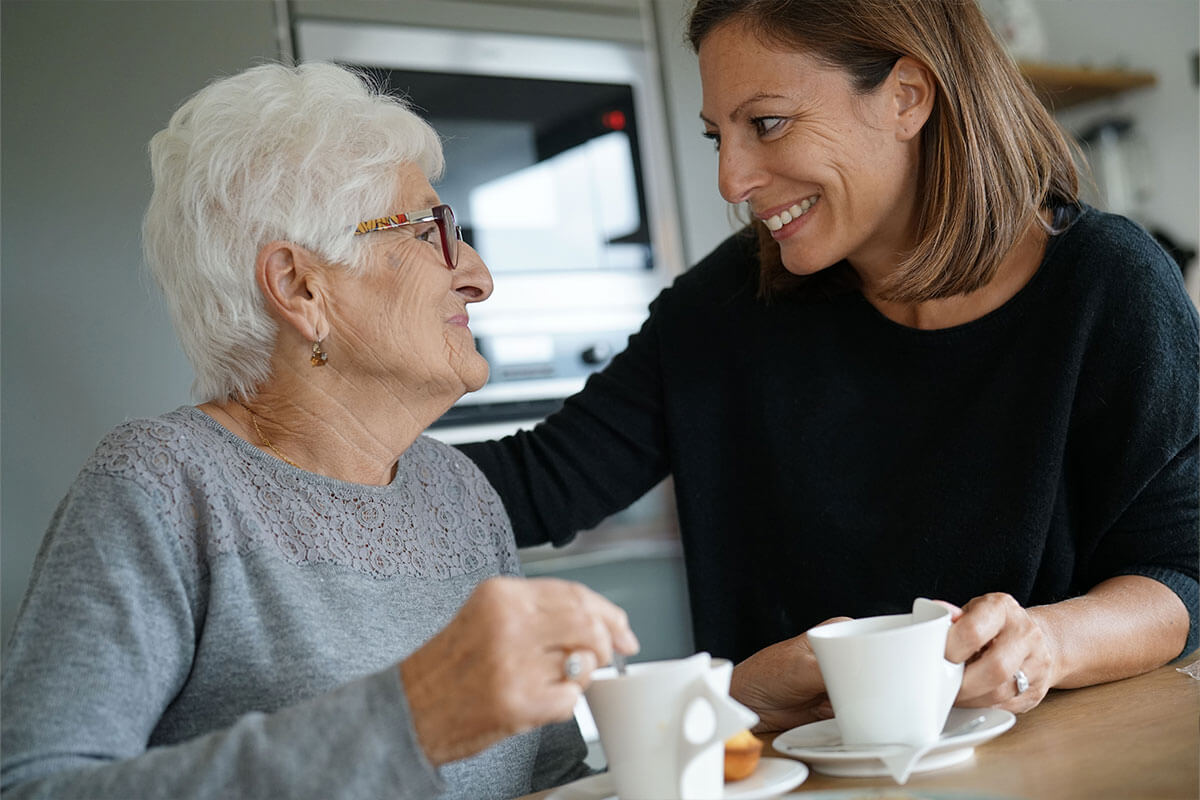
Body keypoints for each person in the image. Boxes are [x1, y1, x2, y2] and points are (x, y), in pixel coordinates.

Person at [459, 0, 1198, 732]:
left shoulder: (1108, 286)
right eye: (718, 137)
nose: (731, 180)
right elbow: (537, 484)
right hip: (800, 774)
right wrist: (384, 398)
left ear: (906, 97)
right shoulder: (727, 305)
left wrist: (1048, 642)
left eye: (767, 123)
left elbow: (1184, 575)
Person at [0, 62, 639, 800]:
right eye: (430, 232)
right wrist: (410, 720)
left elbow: (549, 779)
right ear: (300, 287)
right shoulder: (161, 487)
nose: (478, 276)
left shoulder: (458, 493)